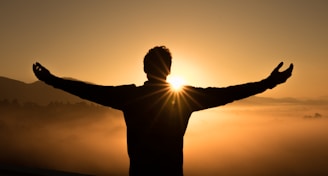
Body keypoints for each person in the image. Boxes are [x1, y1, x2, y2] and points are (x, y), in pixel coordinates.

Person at [33, 46, 293, 176]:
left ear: (145, 69)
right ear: (169, 70)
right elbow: (227, 93)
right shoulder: (185, 98)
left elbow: (90, 91)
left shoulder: (131, 96)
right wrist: (268, 83)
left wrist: (51, 80)